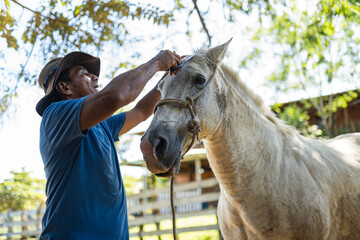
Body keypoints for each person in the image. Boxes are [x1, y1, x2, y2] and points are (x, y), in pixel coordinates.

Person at [35, 50, 183, 239]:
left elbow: (141, 111)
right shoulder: (55, 115)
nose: (94, 76)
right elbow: (116, 96)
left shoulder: (102, 125)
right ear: (64, 87)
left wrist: (172, 76)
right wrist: (155, 63)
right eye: (83, 74)